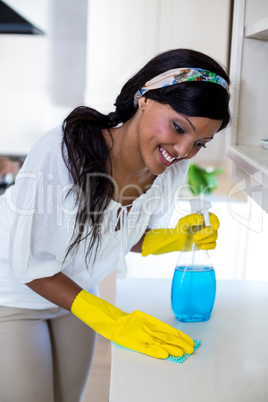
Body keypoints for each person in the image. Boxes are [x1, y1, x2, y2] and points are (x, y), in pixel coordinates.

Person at [0, 48, 230, 401]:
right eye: (178, 127)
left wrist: (175, 238)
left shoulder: (169, 168)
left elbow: (126, 235)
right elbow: (32, 266)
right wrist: (115, 320)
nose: (183, 150)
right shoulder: (64, 151)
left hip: (75, 292)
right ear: (144, 98)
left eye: (199, 142)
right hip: (12, 294)